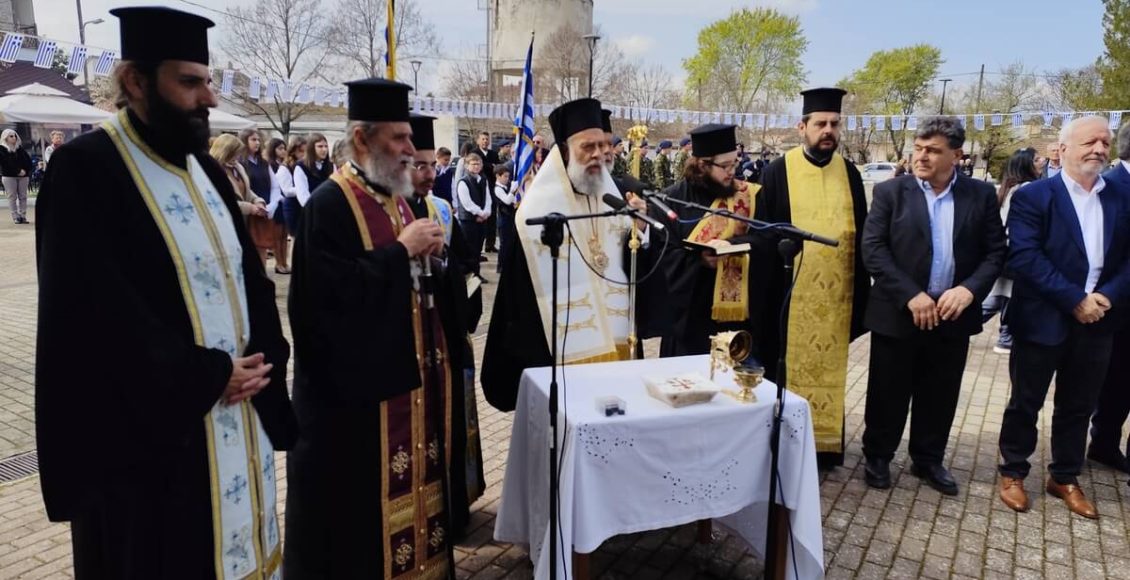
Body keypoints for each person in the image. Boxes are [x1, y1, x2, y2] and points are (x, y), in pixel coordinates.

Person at [35, 7, 297, 578]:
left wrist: (265, 360)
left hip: (237, 416)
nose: (207, 97)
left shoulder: (204, 170)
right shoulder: (87, 170)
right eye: (189, 81)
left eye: (207, 81)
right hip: (151, 450)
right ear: (136, 81)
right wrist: (205, 375)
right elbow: (91, 317)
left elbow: (250, 282)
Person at [285, 78, 469, 578]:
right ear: (362, 141)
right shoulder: (329, 204)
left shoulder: (398, 198)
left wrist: (430, 258)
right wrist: (402, 252)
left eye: (410, 138)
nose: (411, 150)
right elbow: (319, 309)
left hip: (406, 393)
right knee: (357, 542)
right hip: (354, 415)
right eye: (399, 139)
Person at [860, 117, 1007, 495]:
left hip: (952, 315)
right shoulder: (891, 192)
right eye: (919, 148)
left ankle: (928, 459)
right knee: (887, 390)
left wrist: (970, 290)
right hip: (899, 312)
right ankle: (877, 456)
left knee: (940, 392)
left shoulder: (980, 195)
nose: (921, 157)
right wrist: (911, 294)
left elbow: (995, 253)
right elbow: (873, 250)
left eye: (933, 150)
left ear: (956, 155)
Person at [481, 97, 653, 411]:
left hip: (618, 356)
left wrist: (640, 231)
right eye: (588, 147)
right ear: (563, 153)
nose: (600, 154)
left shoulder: (614, 202)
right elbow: (518, 304)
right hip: (558, 364)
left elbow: (636, 279)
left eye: (604, 146)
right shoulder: (536, 214)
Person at [997, 116, 1130, 519]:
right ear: (1065, 147)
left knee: (1079, 404)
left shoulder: (1121, 197)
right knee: (1026, 401)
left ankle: (1065, 476)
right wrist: (1075, 299)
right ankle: (1013, 471)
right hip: (1043, 318)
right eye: (1090, 141)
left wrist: (1105, 297)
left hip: (1098, 322)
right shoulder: (1034, 196)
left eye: (1105, 142)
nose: (1099, 149)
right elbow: (1025, 256)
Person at [754, 87, 869, 468]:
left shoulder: (850, 173)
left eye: (835, 124)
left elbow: (863, 233)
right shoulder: (777, 171)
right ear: (802, 126)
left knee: (832, 371)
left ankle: (823, 449)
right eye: (820, 123)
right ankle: (784, 447)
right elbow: (765, 238)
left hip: (837, 300)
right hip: (790, 298)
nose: (828, 131)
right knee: (782, 369)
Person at [405, 113, 486, 527]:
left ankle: (457, 504)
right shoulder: (391, 211)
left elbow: (460, 260)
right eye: (417, 166)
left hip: (450, 331)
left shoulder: (439, 208)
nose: (426, 174)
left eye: (430, 166)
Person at [655, 124, 763, 357]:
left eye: (735, 163)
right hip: (689, 324)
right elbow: (662, 256)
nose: (732, 171)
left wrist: (734, 245)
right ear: (702, 165)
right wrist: (699, 260)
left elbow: (767, 238)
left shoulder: (751, 196)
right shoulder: (672, 200)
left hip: (738, 325)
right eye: (725, 166)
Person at [1088, 121, 1130, 475]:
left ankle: (1105, 444)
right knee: (1115, 382)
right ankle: (1103, 443)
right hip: (1113, 308)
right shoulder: (1110, 187)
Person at [982, 149, 1040, 354]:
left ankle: (1005, 337)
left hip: (1006, 250)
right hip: (1015, 251)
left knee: (1004, 295)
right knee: (1001, 296)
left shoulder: (1008, 187)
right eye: (1037, 159)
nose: (1041, 162)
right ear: (1027, 165)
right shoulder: (1027, 189)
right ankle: (1004, 337)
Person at [210, 134, 272, 267]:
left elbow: (247, 191)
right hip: (227, 224)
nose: (238, 156)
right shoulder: (215, 170)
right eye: (235, 153)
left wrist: (258, 201)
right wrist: (250, 208)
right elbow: (221, 201)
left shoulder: (238, 167)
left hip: (244, 223)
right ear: (226, 151)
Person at [243, 130, 291, 274]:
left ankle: (261, 276)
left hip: (266, 210)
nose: (257, 143)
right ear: (244, 141)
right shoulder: (241, 163)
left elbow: (275, 186)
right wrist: (254, 205)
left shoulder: (264, 163)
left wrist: (271, 206)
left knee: (262, 247)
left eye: (258, 140)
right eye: (253, 139)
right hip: (248, 210)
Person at [456, 152, 491, 272]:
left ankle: (477, 273)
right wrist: (480, 213)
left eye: (478, 164)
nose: (476, 166)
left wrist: (486, 212)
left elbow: (488, 198)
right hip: (468, 220)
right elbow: (467, 203)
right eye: (473, 164)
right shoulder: (463, 182)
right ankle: (471, 273)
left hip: (481, 220)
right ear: (467, 165)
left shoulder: (483, 180)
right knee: (470, 249)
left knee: (478, 249)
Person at [475, 131, 501, 253]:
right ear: (478, 141)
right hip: (479, 188)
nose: (485, 141)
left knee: (492, 216)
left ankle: (490, 244)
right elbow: (480, 166)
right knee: (481, 216)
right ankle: (479, 245)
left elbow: (498, 168)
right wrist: (490, 166)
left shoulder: (493, 154)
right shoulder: (475, 153)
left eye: (487, 139)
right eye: (483, 139)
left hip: (491, 187)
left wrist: (490, 166)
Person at [0, 129, 32, 224]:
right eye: (11, 136)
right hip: (9, 176)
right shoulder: (1, 149)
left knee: (23, 196)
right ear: (5, 138)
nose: (14, 138)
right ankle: (15, 216)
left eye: (15, 136)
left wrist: (26, 170)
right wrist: (17, 171)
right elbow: (5, 163)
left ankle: (23, 216)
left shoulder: (20, 148)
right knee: (12, 196)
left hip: (23, 176)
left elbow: (28, 161)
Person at [279, 135, 307, 237]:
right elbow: (287, 190)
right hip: (293, 206)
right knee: (295, 238)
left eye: (306, 151)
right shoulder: (285, 167)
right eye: (301, 151)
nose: (304, 154)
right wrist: (303, 189)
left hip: (304, 205)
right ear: (293, 151)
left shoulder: (306, 165)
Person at [295, 132, 332, 208]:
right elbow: (303, 195)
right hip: (311, 210)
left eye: (326, 146)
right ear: (311, 148)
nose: (324, 149)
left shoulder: (331, 166)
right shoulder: (301, 167)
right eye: (320, 146)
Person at [493, 165, 517, 274]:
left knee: (509, 244)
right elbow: (507, 201)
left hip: (509, 218)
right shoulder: (498, 189)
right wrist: (512, 191)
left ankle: (507, 265)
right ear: (498, 176)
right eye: (505, 176)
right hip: (503, 219)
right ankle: (501, 266)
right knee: (504, 244)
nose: (507, 179)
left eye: (508, 176)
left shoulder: (505, 187)